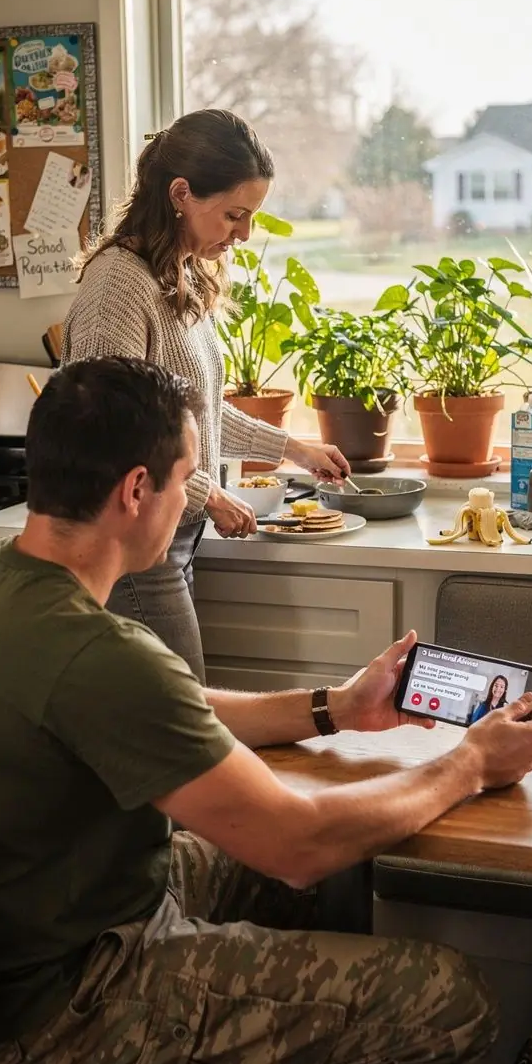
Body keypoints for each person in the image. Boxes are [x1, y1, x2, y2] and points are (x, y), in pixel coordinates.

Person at [0, 358, 532, 1064]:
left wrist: (335, 709)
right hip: (61, 1009)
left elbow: (160, 717)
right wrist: (469, 763)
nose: (193, 494)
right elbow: (298, 844)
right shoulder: (98, 650)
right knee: (448, 1007)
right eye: (190, 476)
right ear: (135, 490)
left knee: (315, 871)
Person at [61, 108, 350, 680]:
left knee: (161, 723)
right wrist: (208, 492)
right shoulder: (117, 289)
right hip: (130, 545)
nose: (243, 234)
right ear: (180, 194)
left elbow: (191, 408)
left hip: (170, 534)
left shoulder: (176, 273)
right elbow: (108, 435)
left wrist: (293, 449)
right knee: (182, 722)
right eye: (233, 215)